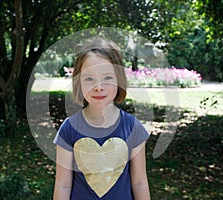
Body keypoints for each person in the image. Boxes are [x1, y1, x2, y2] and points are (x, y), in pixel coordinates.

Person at [53, 37, 150, 200]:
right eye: (89, 78)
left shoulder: (133, 127)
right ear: (78, 82)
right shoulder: (69, 128)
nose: (98, 87)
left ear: (119, 79)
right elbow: (63, 185)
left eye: (107, 78)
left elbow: (139, 182)